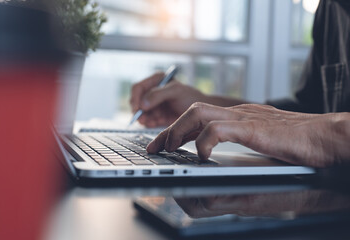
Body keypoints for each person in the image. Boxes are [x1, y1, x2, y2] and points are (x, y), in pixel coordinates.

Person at [130, 0, 350, 168]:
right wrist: (207, 108)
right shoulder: (330, 8)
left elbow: (313, 130)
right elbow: (307, 117)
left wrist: (329, 134)